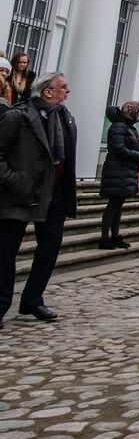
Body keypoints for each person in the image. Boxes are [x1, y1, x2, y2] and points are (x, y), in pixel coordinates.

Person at [0, 73, 78, 324]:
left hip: (53, 194)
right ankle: (0, 304)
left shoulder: (64, 118)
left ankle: (33, 299)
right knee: (6, 252)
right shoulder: (18, 117)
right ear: (47, 92)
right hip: (20, 194)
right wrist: (15, 180)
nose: (67, 91)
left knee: (49, 249)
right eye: (63, 87)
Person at [99, 101, 139, 249]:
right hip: (117, 170)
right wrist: (138, 156)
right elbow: (119, 149)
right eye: (137, 112)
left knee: (118, 205)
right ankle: (105, 238)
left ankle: (115, 236)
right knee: (113, 205)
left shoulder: (128, 127)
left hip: (124, 170)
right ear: (131, 113)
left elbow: (131, 146)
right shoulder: (119, 127)